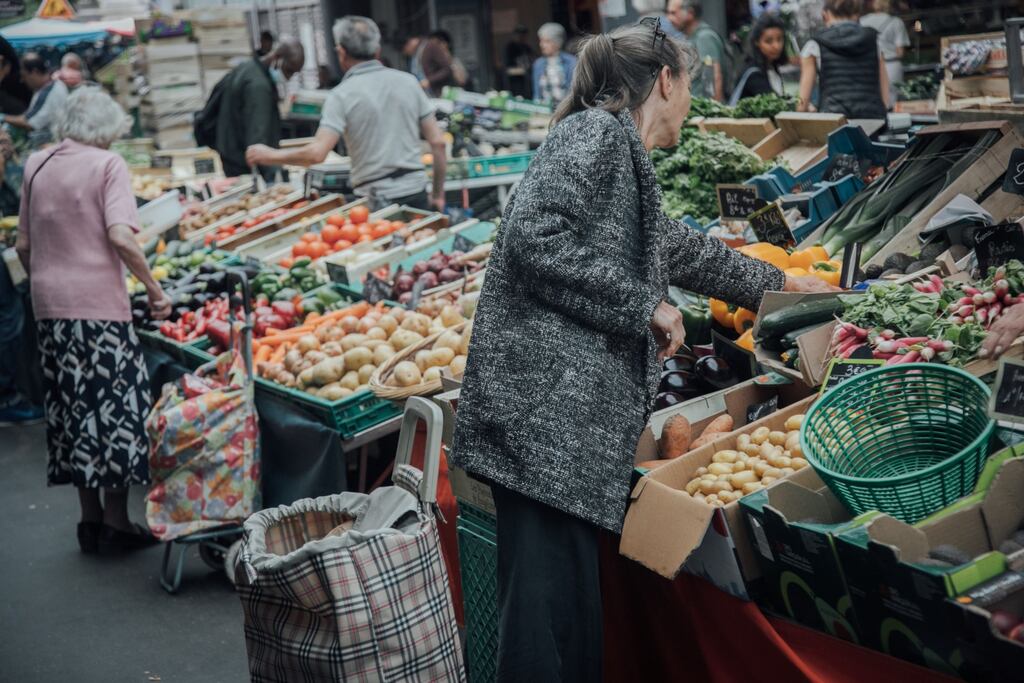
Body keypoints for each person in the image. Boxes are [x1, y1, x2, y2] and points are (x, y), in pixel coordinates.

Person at [450, 19, 836, 681]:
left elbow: (678, 246)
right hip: (542, 432)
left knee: (566, 631)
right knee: (546, 638)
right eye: (690, 83)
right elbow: (534, 237)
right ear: (667, 80)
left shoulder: (620, 154)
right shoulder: (595, 133)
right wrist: (643, 303)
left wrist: (782, 283)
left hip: (556, 442)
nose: (691, 99)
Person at [15, 87, 172, 554]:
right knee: (117, 408)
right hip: (98, 308)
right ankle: (116, 521)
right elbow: (122, 235)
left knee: (73, 409)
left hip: (49, 307)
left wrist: (51, 273)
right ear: (106, 128)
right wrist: (154, 287)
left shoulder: (36, 165)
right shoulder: (109, 165)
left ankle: (88, 522)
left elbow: (23, 246)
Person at [246, 16, 447, 212]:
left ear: (341, 53)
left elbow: (317, 154)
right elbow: (438, 143)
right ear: (377, 50)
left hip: (374, 203)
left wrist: (269, 155)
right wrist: (438, 195)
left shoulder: (341, 95)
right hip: (416, 194)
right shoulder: (409, 82)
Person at [207, 37, 304, 178]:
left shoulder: (247, 68)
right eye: (289, 71)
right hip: (244, 166)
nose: (289, 78)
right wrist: (275, 176)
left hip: (231, 156)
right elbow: (258, 143)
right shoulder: (259, 87)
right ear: (277, 58)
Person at [797, 0, 889, 119]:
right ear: (857, 14)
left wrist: (804, 110)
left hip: (833, 121)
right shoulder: (874, 40)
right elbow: (885, 96)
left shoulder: (814, 45)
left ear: (825, 14)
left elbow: (802, 102)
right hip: (873, 118)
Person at [1, 53, 69, 149]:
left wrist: (3, 117)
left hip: (51, 145)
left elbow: (29, 122)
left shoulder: (48, 91)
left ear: (34, 72)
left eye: (24, 76)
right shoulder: (50, 87)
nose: (22, 80)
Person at [676, 0, 732, 102]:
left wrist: (713, 111)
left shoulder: (704, 37)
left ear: (690, 13)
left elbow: (714, 77)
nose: (670, 18)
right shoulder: (692, 37)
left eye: (674, 13)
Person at [730, 13, 788, 102]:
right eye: (769, 41)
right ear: (757, 42)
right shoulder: (754, 73)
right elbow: (775, 104)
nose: (776, 46)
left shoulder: (772, 67)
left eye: (779, 39)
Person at [861, 0, 909, 105]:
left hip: (869, 66)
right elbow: (900, 52)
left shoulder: (861, 22)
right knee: (893, 101)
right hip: (891, 64)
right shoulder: (896, 21)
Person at [532, 23, 577, 104]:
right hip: (544, 111)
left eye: (547, 41)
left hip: (565, 109)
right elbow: (537, 94)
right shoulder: (538, 64)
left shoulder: (571, 62)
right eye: (541, 41)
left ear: (558, 43)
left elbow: (573, 92)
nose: (542, 45)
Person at [419, 31, 457, 96]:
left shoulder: (452, 59)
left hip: (452, 92)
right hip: (440, 94)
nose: (435, 46)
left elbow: (462, 80)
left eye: (438, 43)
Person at [503, 24, 535, 97]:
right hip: (515, 84)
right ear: (515, 35)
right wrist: (523, 70)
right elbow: (507, 69)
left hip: (527, 83)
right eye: (520, 35)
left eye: (524, 35)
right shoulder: (510, 47)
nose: (522, 37)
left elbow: (533, 60)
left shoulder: (527, 47)